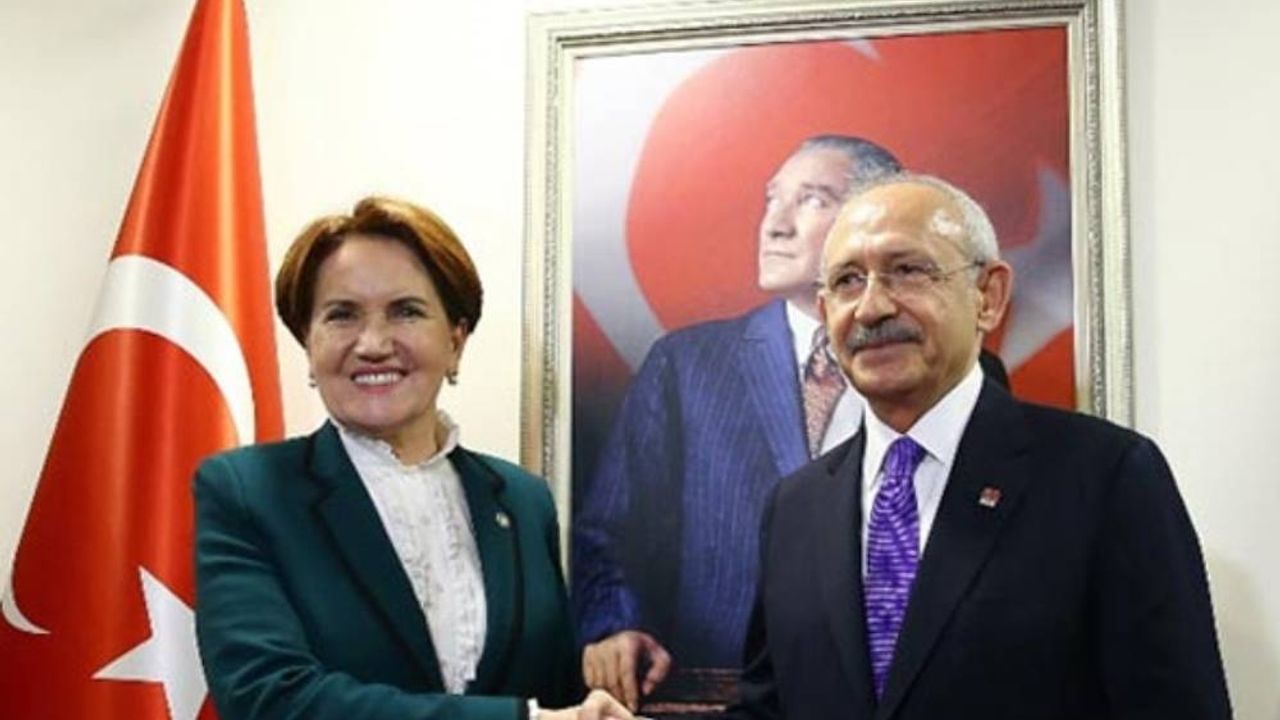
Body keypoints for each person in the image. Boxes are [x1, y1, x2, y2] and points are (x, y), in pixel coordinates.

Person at [721, 174, 1232, 718]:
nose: (870, 308)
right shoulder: (795, 507)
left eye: (907, 270)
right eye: (848, 281)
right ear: (825, 313)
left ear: (988, 296)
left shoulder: (1106, 478)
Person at [194, 196, 632, 720]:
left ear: (456, 340)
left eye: (406, 311)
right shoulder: (249, 491)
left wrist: (588, 700)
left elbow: (551, 687)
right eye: (342, 315)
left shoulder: (522, 500)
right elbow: (267, 698)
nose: (373, 343)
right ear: (308, 344)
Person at [573, 135, 903, 709]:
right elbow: (610, 535)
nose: (775, 225)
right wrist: (613, 628)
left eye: (812, 199)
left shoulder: (931, 368)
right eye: (772, 198)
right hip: (717, 698)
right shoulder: (686, 365)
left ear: (877, 223)